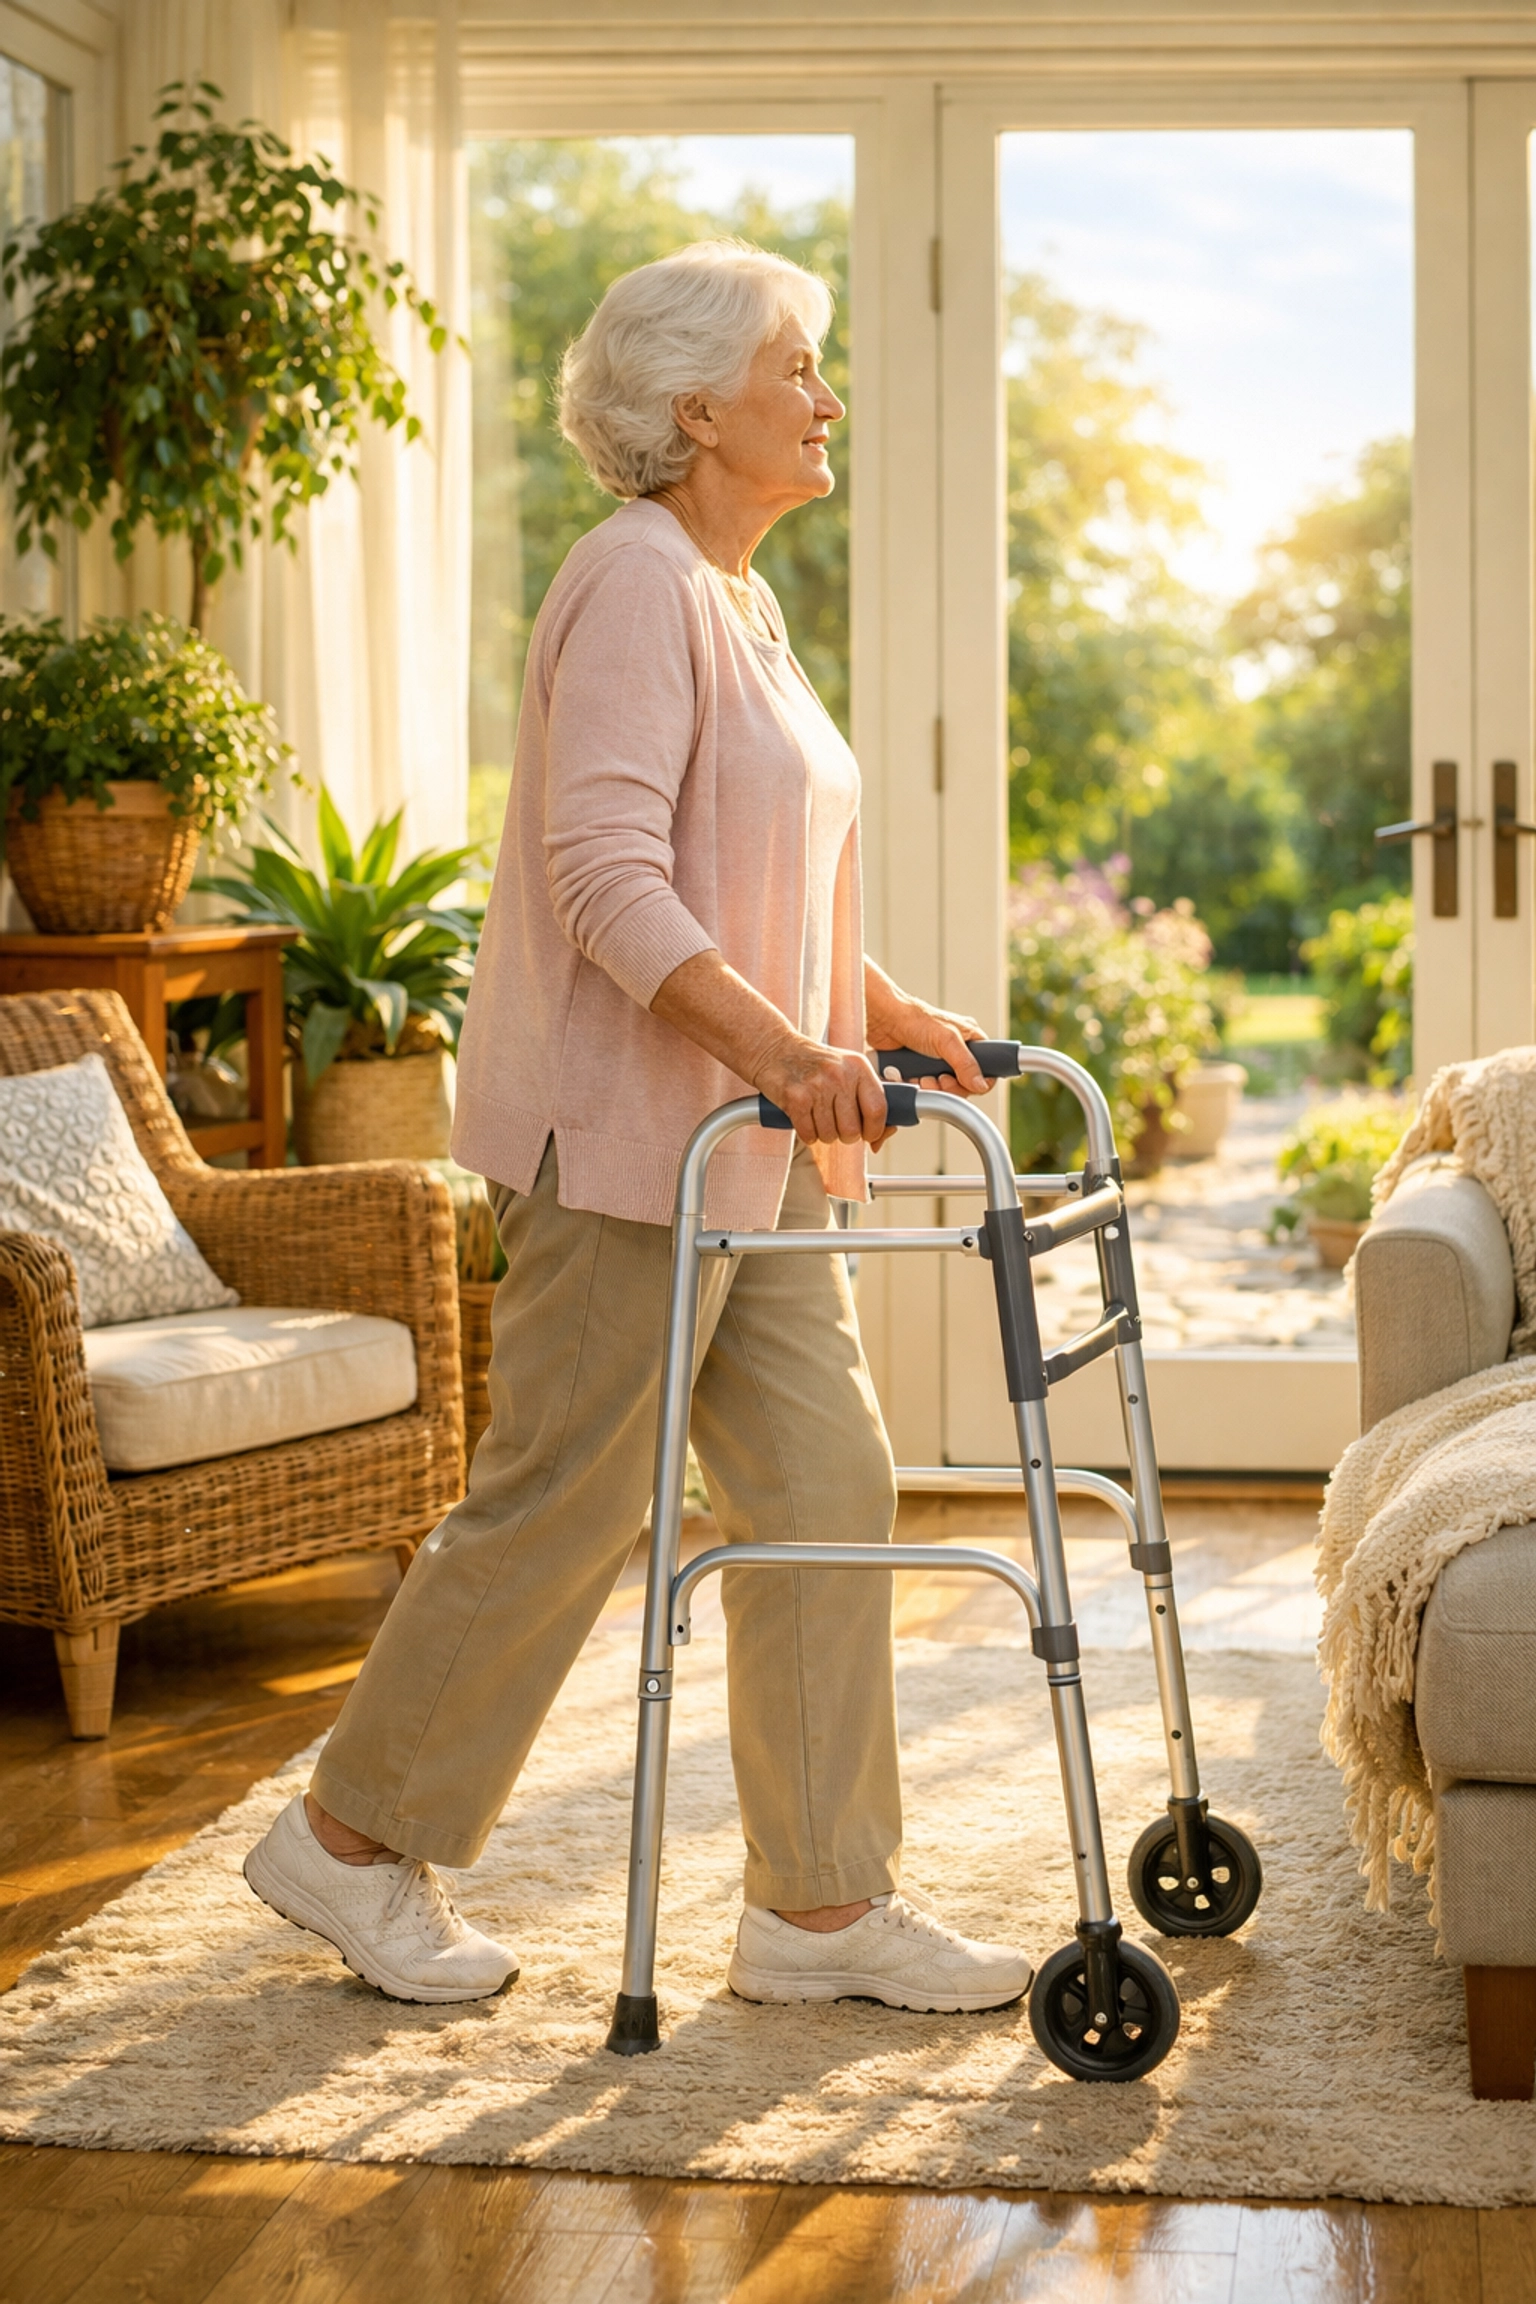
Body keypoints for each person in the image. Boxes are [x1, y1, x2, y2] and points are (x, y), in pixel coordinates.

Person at [245, 239, 1033, 2015]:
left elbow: (748, 873)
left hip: (744, 1147)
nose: (827, 398)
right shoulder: (632, 581)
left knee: (828, 1487)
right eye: (799, 368)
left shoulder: (734, 599)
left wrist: (878, 1013)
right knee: (566, 1501)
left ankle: (818, 1911)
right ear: (697, 410)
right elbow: (600, 876)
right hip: (626, 1148)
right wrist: (782, 1048)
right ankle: (353, 1845)